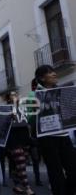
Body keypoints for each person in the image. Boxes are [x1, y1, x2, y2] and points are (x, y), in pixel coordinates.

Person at [28, 65, 76, 195]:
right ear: (42, 78)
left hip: (64, 135)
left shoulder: (61, 91)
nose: (54, 74)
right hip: (47, 139)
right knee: (56, 174)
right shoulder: (33, 95)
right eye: (50, 72)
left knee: (73, 170)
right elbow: (30, 119)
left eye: (54, 71)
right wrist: (36, 110)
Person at [5, 91, 35, 195]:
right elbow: (8, 120)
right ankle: (27, 188)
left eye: (16, 94)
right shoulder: (6, 109)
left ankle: (17, 185)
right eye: (12, 95)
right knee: (21, 162)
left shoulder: (23, 108)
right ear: (8, 98)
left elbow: (28, 120)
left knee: (22, 163)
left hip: (25, 137)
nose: (16, 96)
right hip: (13, 139)